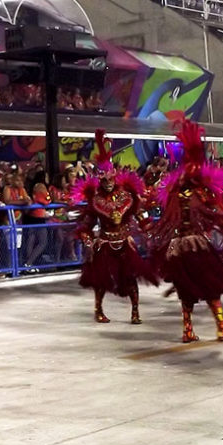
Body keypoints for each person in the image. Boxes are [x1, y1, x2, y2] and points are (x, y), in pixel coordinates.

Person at [149, 120, 223, 343]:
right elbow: (220, 216)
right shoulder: (202, 194)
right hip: (197, 245)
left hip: (178, 247)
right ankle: (222, 328)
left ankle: (188, 330)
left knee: (186, 290)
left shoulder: (174, 194)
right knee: (211, 287)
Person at [72, 130, 158, 323]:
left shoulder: (127, 196)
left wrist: (148, 229)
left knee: (130, 278)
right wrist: (87, 241)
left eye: (110, 180)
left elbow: (139, 213)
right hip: (104, 243)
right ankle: (99, 310)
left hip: (125, 242)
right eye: (104, 180)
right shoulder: (95, 200)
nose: (108, 183)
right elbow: (86, 224)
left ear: (115, 178)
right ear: (99, 180)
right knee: (101, 280)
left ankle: (135, 312)